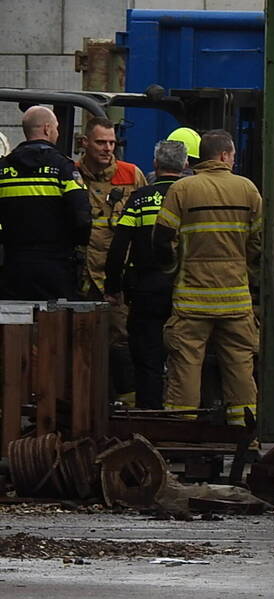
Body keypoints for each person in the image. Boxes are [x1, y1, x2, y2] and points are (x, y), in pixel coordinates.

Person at [155, 130, 262, 426]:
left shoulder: (182, 189)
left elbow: (163, 240)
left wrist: (173, 269)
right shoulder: (248, 190)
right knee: (241, 366)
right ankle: (245, 433)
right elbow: (259, 244)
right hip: (236, 299)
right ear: (226, 155)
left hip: (192, 299)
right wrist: (247, 273)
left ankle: (182, 432)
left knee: (186, 366)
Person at [104, 140, 186, 409]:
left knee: (147, 358)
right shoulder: (191, 195)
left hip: (146, 291)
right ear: (185, 165)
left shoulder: (140, 198)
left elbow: (118, 248)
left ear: (155, 165)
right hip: (185, 291)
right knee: (185, 358)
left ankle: (150, 419)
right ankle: (182, 415)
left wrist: (113, 286)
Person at [77, 116, 146, 404]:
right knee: (80, 345)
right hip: (82, 278)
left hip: (117, 279)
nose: (108, 149)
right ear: (84, 143)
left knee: (120, 343)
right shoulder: (71, 174)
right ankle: (84, 406)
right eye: (101, 142)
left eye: (112, 143)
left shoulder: (131, 174)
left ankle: (127, 409)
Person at [0, 106, 91, 299]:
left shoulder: (3, 170)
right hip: (56, 267)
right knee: (54, 325)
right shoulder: (63, 168)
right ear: (48, 129)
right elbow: (82, 217)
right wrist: (75, 245)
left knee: (15, 323)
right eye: (57, 128)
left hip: (13, 265)